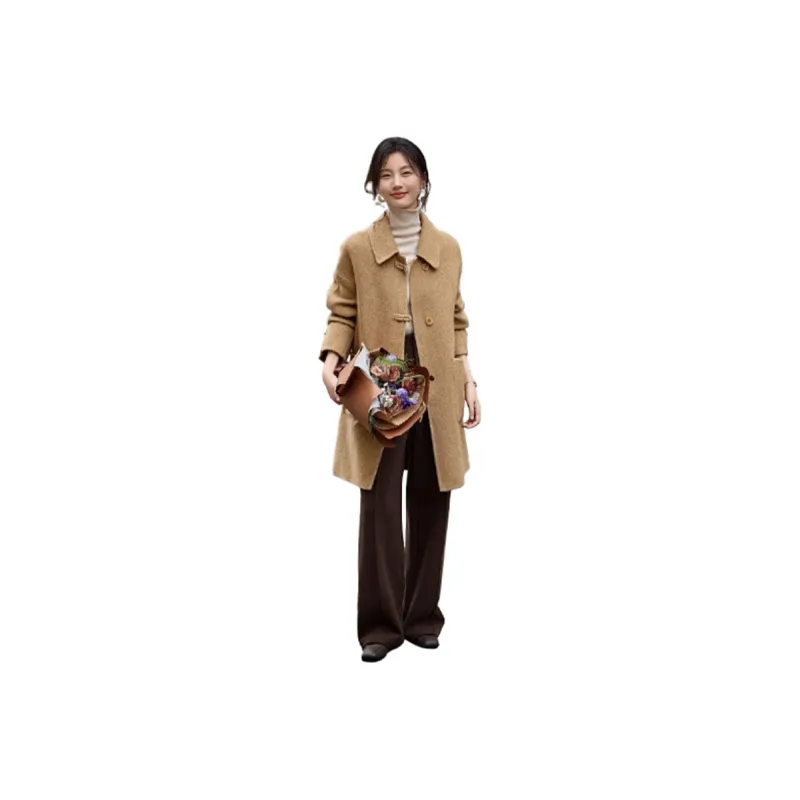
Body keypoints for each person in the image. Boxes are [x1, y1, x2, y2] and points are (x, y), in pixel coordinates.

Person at [319, 137, 481, 662]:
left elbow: (456, 319)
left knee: (433, 498)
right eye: (386, 174)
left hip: (438, 382)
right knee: (381, 504)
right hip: (382, 381)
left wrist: (468, 379)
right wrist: (329, 360)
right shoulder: (357, 248)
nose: (397, 183)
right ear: (375, 185)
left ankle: (422, 618)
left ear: (423, 180)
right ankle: (380, 628)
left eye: (406, 172)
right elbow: (342, 311)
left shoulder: (448, 248)